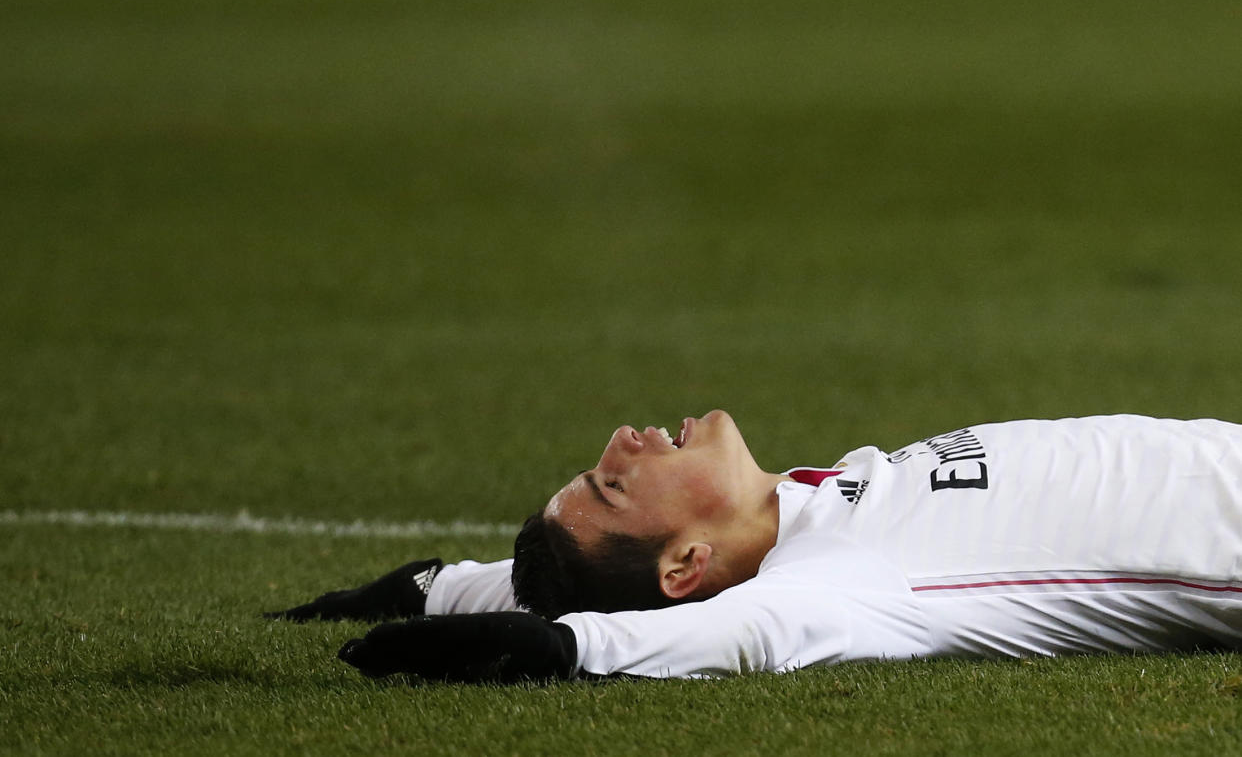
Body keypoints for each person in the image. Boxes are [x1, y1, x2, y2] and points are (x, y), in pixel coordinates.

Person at [267, 410, 1242, 683]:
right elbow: (619, 643)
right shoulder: (836, 585)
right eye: (615, 483)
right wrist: (548, 648)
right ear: (686, 566)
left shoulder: (797, 506)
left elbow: (482, 588)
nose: (624, 438)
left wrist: (426, 591)